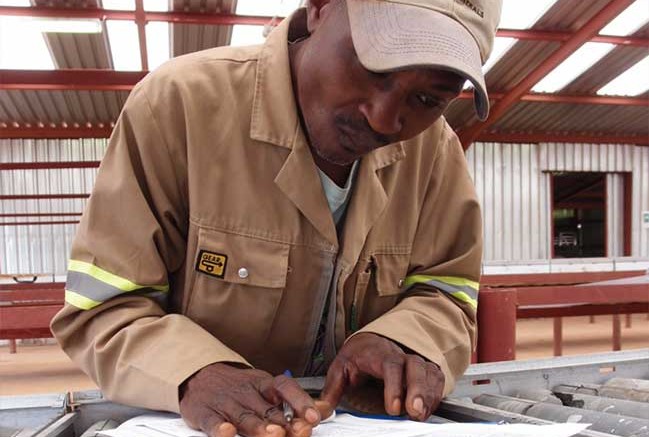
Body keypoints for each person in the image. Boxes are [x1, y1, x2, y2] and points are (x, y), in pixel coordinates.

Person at [51, 0, 502, 436]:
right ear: (321, 6)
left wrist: (405, 341)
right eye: (374, 69)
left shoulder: (436, 153)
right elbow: (106, 308)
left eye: (427, 99)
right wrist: (194, 373)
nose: (385, 121)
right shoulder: (179, 106)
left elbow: (447, 292)